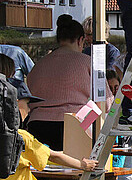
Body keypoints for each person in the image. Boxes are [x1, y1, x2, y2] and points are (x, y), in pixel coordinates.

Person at [27, 15, 101, 150]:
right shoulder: (88, 62)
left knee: (44, 169)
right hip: (75, 124)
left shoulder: (39, 64)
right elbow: (105, 102)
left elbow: (28, 98)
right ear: (81, 40)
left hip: (38, 125)